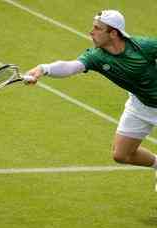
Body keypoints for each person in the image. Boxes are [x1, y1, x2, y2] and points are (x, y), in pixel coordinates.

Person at [26, 10, 157, 170]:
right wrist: (43, 68)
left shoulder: (143, 46)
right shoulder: (97, 57)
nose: (91, 32)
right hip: (140, 104)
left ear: (113, 33)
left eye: (97, 28)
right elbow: (70, 67)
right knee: (121, 155)